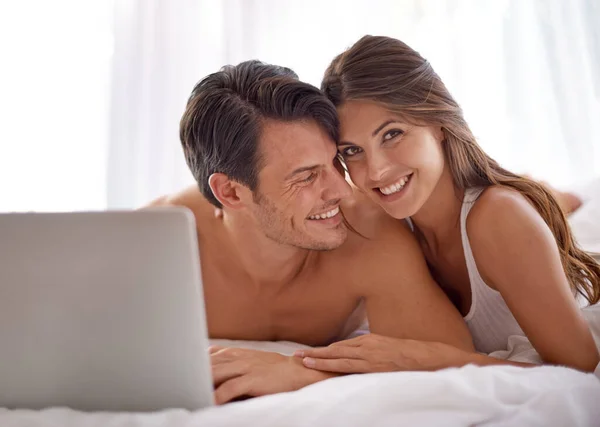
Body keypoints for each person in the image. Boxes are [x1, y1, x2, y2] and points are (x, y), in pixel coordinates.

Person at [147, 60, 473, 404]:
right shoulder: (161, 240)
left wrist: (307, 373)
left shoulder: (367, 233)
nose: (343, 191)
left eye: (336, 162)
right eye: (306, 176)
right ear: (230, 192)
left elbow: (459, 368)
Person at [297, 35, 600, 374]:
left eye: (392, 134)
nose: (376, 170)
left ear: (438, 123)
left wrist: (435, 360)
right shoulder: (385, 224)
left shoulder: (499, 218)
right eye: (352, 151)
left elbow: (581, 369)